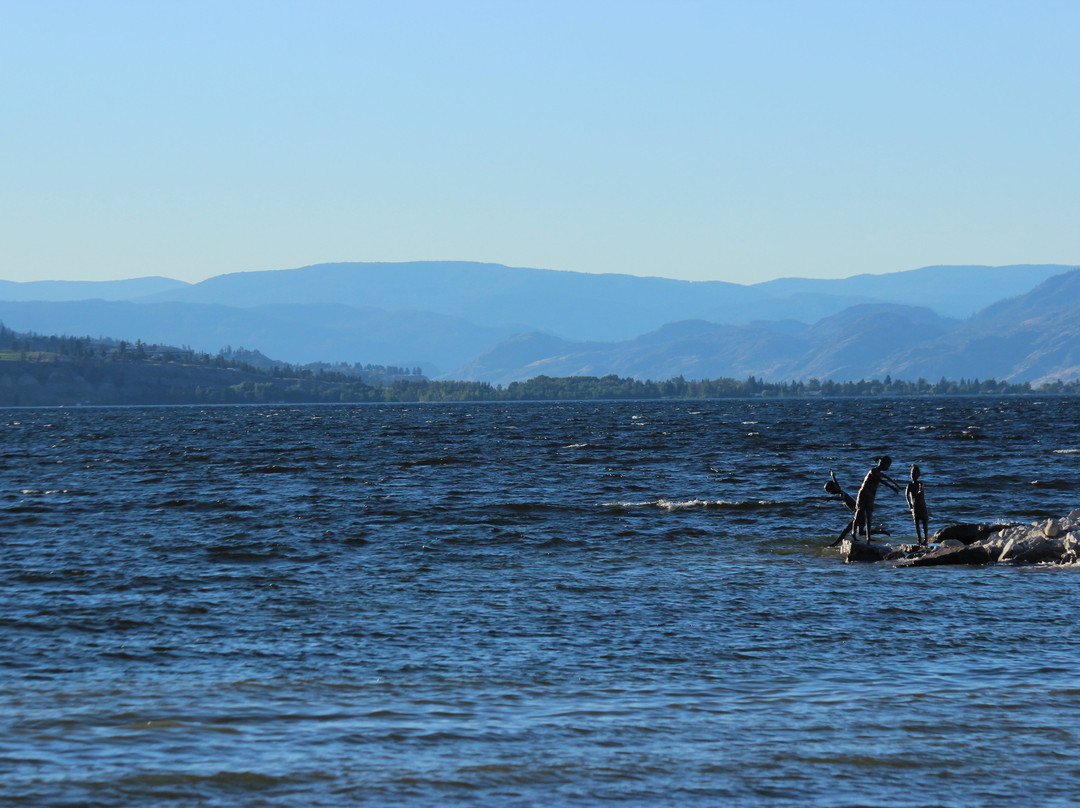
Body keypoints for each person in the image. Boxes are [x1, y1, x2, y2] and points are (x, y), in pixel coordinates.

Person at [850, 455, 900, 543]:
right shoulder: (873, 471)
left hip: (871, 496)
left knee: (869, 516)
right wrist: (892, 487)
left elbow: (887, 478)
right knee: (859, 513)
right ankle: (853, 533)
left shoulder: (880, 473)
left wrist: (897, 485)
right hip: (864, 494)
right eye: (888, 465)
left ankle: (868, 537)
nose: (888, 467)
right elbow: (881, 481)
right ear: (884, 464)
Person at [825, 471, 857, 546]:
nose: (829, 493)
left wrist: (832, 498)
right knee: (858, 531)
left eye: (829, 491)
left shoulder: (841, 493)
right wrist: (833, 476)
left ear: (833, 489)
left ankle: (834, 544)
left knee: (846, 530)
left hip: (859, 514)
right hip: (858, 514)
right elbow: (836, 484)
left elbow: (842, 498)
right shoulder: (839, 490)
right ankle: (880, 532)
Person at [905, 464, 929, 545]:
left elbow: (921, 489)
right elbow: (906, 495)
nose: (913, 476)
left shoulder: (920, 484)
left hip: (922, 506)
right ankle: (919, 539)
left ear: (918, 475)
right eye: (911, 474)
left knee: (925, 522)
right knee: (917, 524)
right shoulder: (910, 485)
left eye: (914, 474)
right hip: (915, 507)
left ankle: (926, 539)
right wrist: (909, 503)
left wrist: (919, 490)